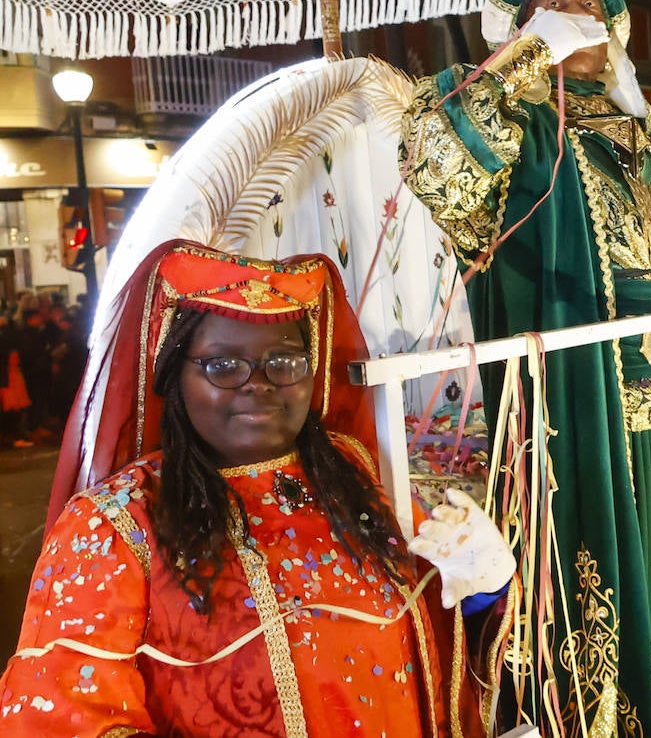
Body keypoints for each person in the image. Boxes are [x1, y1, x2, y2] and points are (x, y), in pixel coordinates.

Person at [399, 0, 651, 737]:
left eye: (589, 9)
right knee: (605, 568)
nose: (578, 21)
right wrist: (526, 58)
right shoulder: (509, 122)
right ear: (516, 26)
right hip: (579, 399)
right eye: (554, 7)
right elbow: (439, 170)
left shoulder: (640, 134)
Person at [3, 241, 513, 736]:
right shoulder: (114, 522)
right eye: (223, 365)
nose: (259, 383)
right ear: (174, 376)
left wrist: (483, 590)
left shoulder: (352, 472)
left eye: (285, 361)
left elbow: (431, 632)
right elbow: (60, 711)